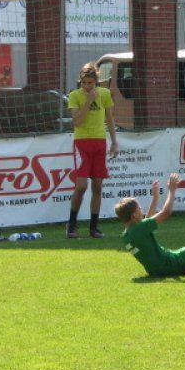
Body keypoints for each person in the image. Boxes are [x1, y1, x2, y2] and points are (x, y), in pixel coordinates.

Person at [67, 62, 118, 239]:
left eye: (90, 83)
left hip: (99, 142)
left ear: (96, 81)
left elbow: (109, 119)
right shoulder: (74, 96)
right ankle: (71, 225)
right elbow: (77, 122)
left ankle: (94, 227)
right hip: (82, 143)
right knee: (81, 186)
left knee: (97, 186)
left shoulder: (104, 94)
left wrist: (114, 142)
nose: (87, 86)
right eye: (84, 83)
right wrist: (88, 101)